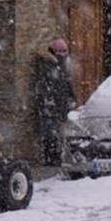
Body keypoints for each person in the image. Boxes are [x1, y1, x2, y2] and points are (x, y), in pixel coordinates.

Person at [33, 38, 75, 166]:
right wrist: (48, 102)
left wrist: (72, 99)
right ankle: (50, 158)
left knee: (60, 133)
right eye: (61, 52)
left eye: (65, 52)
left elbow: (67, 84)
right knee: (49, 133)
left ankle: (58, 156)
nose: (63, 55)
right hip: (49, 106)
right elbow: (43, 86)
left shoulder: (63, 66)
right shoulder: (47, 65)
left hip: (61, 104)